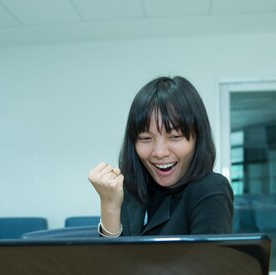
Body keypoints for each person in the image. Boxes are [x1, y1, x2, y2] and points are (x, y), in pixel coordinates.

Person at [88, 76, 233, 237]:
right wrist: (109, 204)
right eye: (145, 138)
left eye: (175, 136)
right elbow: (110, 261)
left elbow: (210, 262)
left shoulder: (210, 189)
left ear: (197, 138)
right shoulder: (130, 189)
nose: (159, 152)